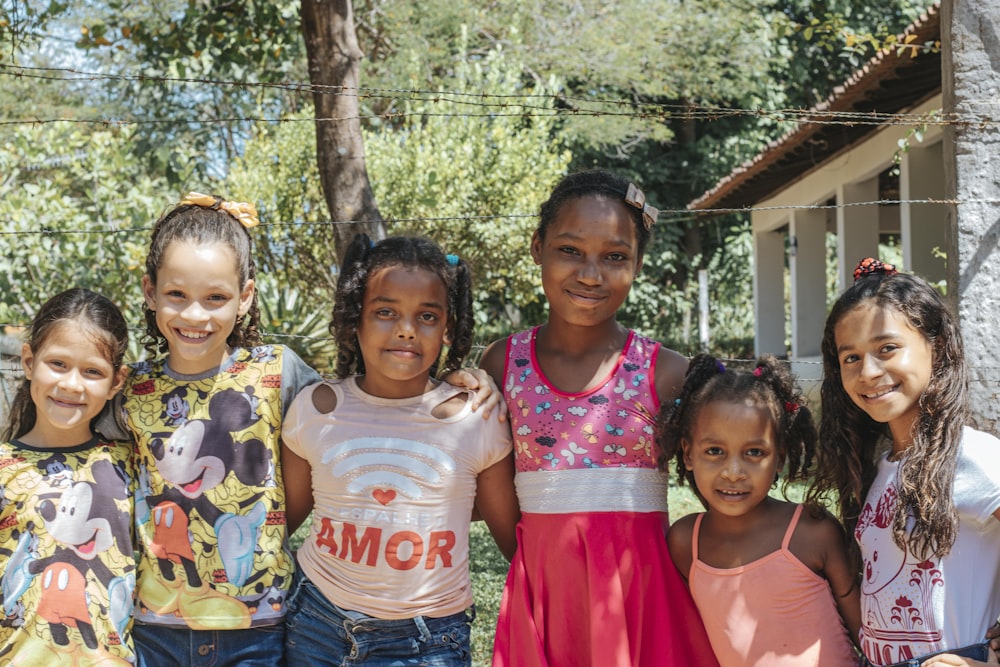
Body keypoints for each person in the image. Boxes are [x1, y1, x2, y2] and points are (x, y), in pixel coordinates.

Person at [481, 169, 718, 666]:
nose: (591, 274)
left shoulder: (668, 373)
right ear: (537, 247)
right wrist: (538, 567)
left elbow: (723, 482)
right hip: (544, 598)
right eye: (570, 251)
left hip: (643, 598)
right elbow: (496, 491)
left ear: (637, 266)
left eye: (615, 257)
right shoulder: (502, 364)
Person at [281, 233, 519, 666]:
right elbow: (280, 524)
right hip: (316, 624)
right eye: (385, 312)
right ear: (356, 319)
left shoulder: (478, 419)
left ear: (447, 327)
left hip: (427, 642)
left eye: (427, 316)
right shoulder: (314, 409)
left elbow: (514, 542)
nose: (407, 329)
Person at [113, 193, 323, 666]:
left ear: (245, 297)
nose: (194, 315)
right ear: (150, 291)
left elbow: (351, 416)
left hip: (259, 626)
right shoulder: (131, 389)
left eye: (216, 298)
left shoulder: (279, 373)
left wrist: (445, 382)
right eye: (176, 295)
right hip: (157, 625)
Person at [809, 257, 1000, 667]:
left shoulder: (974, 458)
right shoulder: (878, 468)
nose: (869, 371)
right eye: (851, 358)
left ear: (938, 346)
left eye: (887, 348)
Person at [657, 353, 861, 667]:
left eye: (754, 452)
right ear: (687, 454)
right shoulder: (686, 543)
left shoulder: (812, 533)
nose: (734, 471)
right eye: (715, 451)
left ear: (779, 458)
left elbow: (867, 633)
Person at [0, 288, 135, 665]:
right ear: (29, 361)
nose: (72, 384)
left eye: (93, 371)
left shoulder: (133, 465)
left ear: (116, 382)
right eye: (58, 364)